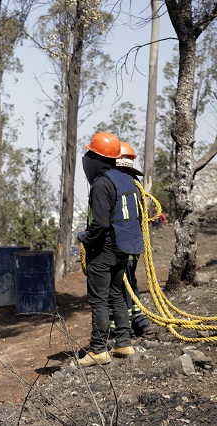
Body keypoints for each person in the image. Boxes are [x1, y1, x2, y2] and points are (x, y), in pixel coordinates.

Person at [76, 132, 145, 367]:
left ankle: (98, 349)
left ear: (97, 158)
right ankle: (124, 343)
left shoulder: (101, 184)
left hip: (104, 249)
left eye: (89, 155)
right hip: (123, 249)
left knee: (98, 299)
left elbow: (101, 223)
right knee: (116, 293)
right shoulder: (128, 180)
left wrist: (87, 238)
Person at [111, 141, 152, 337]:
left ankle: (121, 328)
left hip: (120, 246)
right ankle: (140, 321)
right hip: (134, 245)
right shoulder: (135, 185)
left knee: (118, 288)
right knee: (130, 283)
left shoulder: (115, 185)